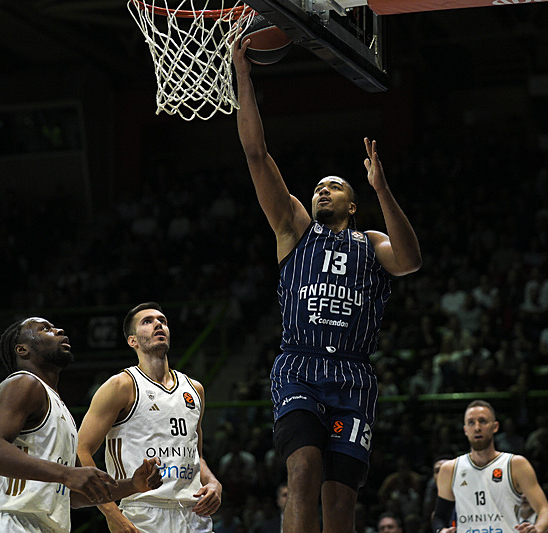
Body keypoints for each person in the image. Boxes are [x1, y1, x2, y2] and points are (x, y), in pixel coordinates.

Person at [233, 37, 422, 533]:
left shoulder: (372, 241)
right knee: (302, 471)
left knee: (340, 501)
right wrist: (243, 77)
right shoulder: (294, 228)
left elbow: (410, 261)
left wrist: (383, 188)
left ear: (354, 204)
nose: (322, 188)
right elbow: (256, 154)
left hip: (354, 377)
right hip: (300, 366)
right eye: (319, 185)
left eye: (335, 185)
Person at [0, 317, 162, 533]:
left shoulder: (58, 405)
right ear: (22, 350)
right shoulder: (23, 383)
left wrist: (132, 485)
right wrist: (66, 473)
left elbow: (72, 496)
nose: (59, 329)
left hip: (42, 526)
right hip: (7, 522)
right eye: (45, 330)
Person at [77, 302, 222, 533]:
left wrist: (213, 482)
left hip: (193, 512)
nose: (158, 324)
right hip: (141, 509)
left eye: (162, 321)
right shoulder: (121, 385)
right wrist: (115, 516)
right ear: (132, 341)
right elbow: (81, 450)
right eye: (147, 321)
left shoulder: (195, 389)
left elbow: (195, 455)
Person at [433, 400, 548, 533]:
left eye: (483, 421)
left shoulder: (516, 465)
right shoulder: (449, 469)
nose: (477, 427)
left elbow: (545, 511)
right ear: (465, 430)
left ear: (495, 427)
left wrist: (538, 528)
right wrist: (441, 531)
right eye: (471, 422)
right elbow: (439, 517)